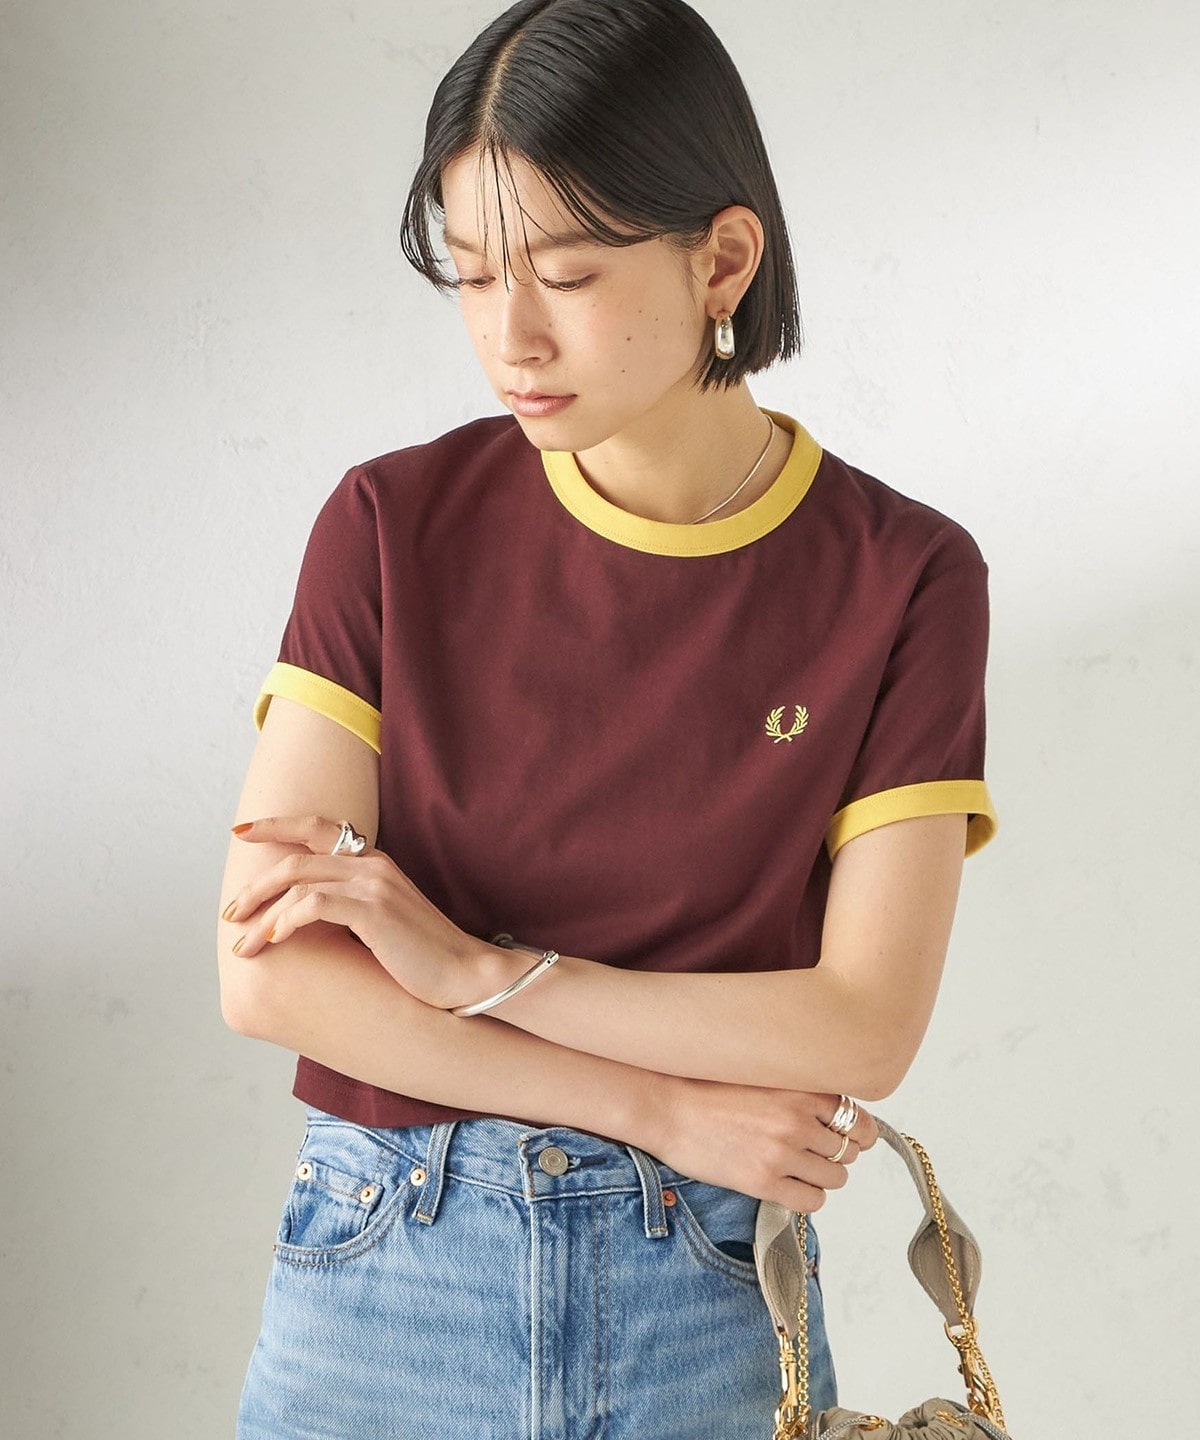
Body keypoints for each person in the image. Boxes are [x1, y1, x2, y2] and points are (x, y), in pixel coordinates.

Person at [217, 1, 996, 1435]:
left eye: (568, 276)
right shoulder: (389, 524)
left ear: (724, 259)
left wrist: (472, 971)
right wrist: (656, 1105)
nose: (510, 337)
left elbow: (862, 1023)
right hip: (387, 1272)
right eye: (471, 277)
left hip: (703, 1287)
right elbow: (274, 977)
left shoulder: (904, 576)